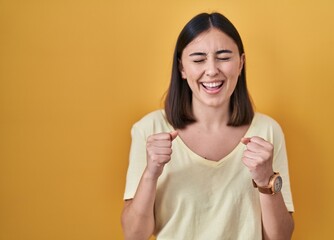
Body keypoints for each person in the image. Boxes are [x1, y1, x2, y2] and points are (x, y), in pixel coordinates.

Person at [121, 12, 294, 240]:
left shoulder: (268, 131)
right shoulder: (149, 129)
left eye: (223, 57)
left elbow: (281, 237)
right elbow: (134, 235)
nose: (212, 70)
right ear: (182, 68)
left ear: (241, 63)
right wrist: (151, 173)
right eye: (198, 59)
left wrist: (266, 180)